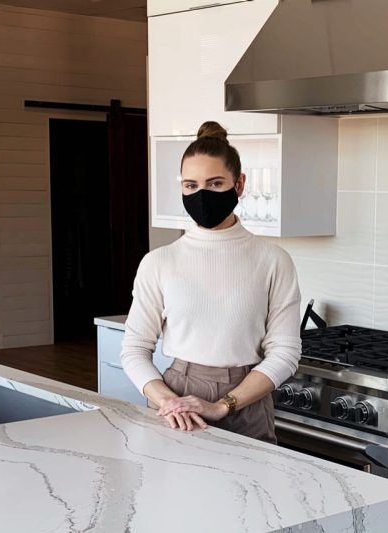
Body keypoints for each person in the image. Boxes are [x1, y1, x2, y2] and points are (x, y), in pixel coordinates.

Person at [120, 121, 302, 444]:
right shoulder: (159, 263)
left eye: (215, 183)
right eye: (190, 186)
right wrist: (169, 401)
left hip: (247, 400)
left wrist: (223, 405)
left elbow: (285, 353)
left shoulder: (274, 261)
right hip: (177, 403)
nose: (201, 195)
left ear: (239, 184)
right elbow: (134, 350)